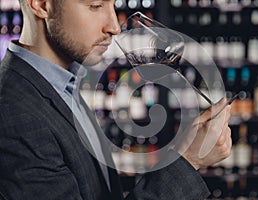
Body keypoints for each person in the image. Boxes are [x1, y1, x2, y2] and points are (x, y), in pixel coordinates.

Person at [0, 0, 232, 199]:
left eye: (113, 5)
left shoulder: (62, 84)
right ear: (41, 5)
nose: (114, 27)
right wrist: (188, 160)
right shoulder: (13, 114)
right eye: (96, 5)